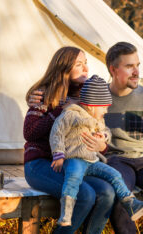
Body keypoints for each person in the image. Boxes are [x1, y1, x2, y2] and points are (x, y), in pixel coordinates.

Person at [81, 42, 143, 234]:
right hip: (117, 159)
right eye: (129, 66)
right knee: (120, 204)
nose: (136, 71)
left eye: (137, 65)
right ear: (113, 69)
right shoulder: (98, 97)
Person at [23, 47, 115, 234]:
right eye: (79, 64)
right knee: (85, 195)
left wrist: (101, 145)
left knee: (107, 193)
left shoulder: (88, 94)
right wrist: (61, 109)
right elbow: (30, 132)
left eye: (86, 63)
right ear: (64, 68)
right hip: (40, 164)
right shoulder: (44, 94)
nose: (86, 69)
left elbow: (98, 131)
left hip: (74, 163)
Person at [50, 75, 143, 227]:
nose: (106, 110)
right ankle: (66, 214)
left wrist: (104, 136)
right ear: (92, 105)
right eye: (104, 107)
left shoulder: (98, 120)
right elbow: (57, 133)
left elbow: (107, 131)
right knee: (73, 178)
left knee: (114, 174)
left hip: (92, 161)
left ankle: (131, 204)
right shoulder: (71, 114)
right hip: (74, 158)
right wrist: (58, 154)